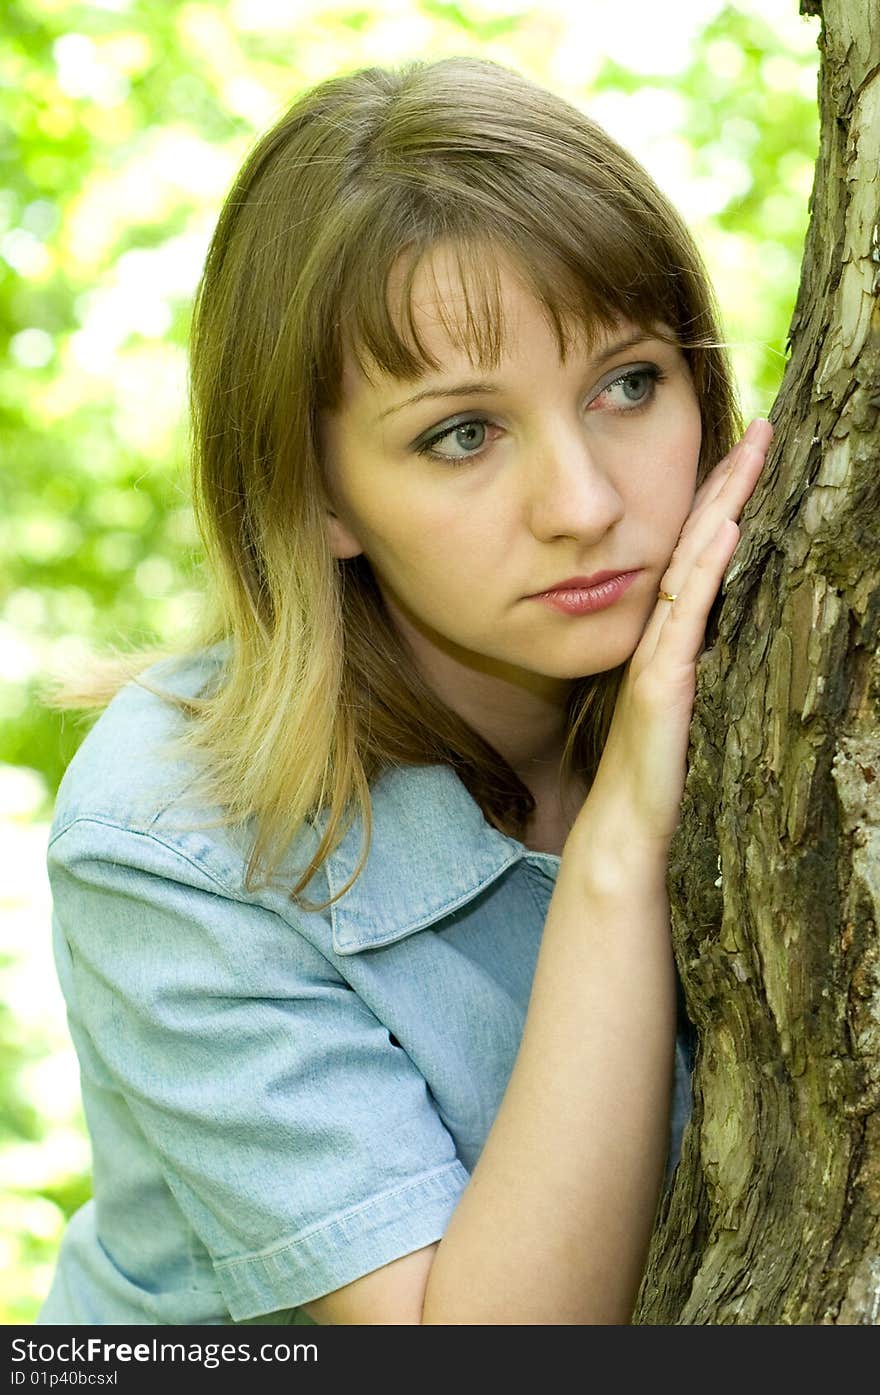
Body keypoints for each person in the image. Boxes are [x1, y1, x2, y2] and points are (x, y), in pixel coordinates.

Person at [37, 54, 772, 1326]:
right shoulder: (173, 833)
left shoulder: (794, 681)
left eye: (627, 384)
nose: (585, 507)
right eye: (462, 434)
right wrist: (615, 855)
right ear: (318, 494)